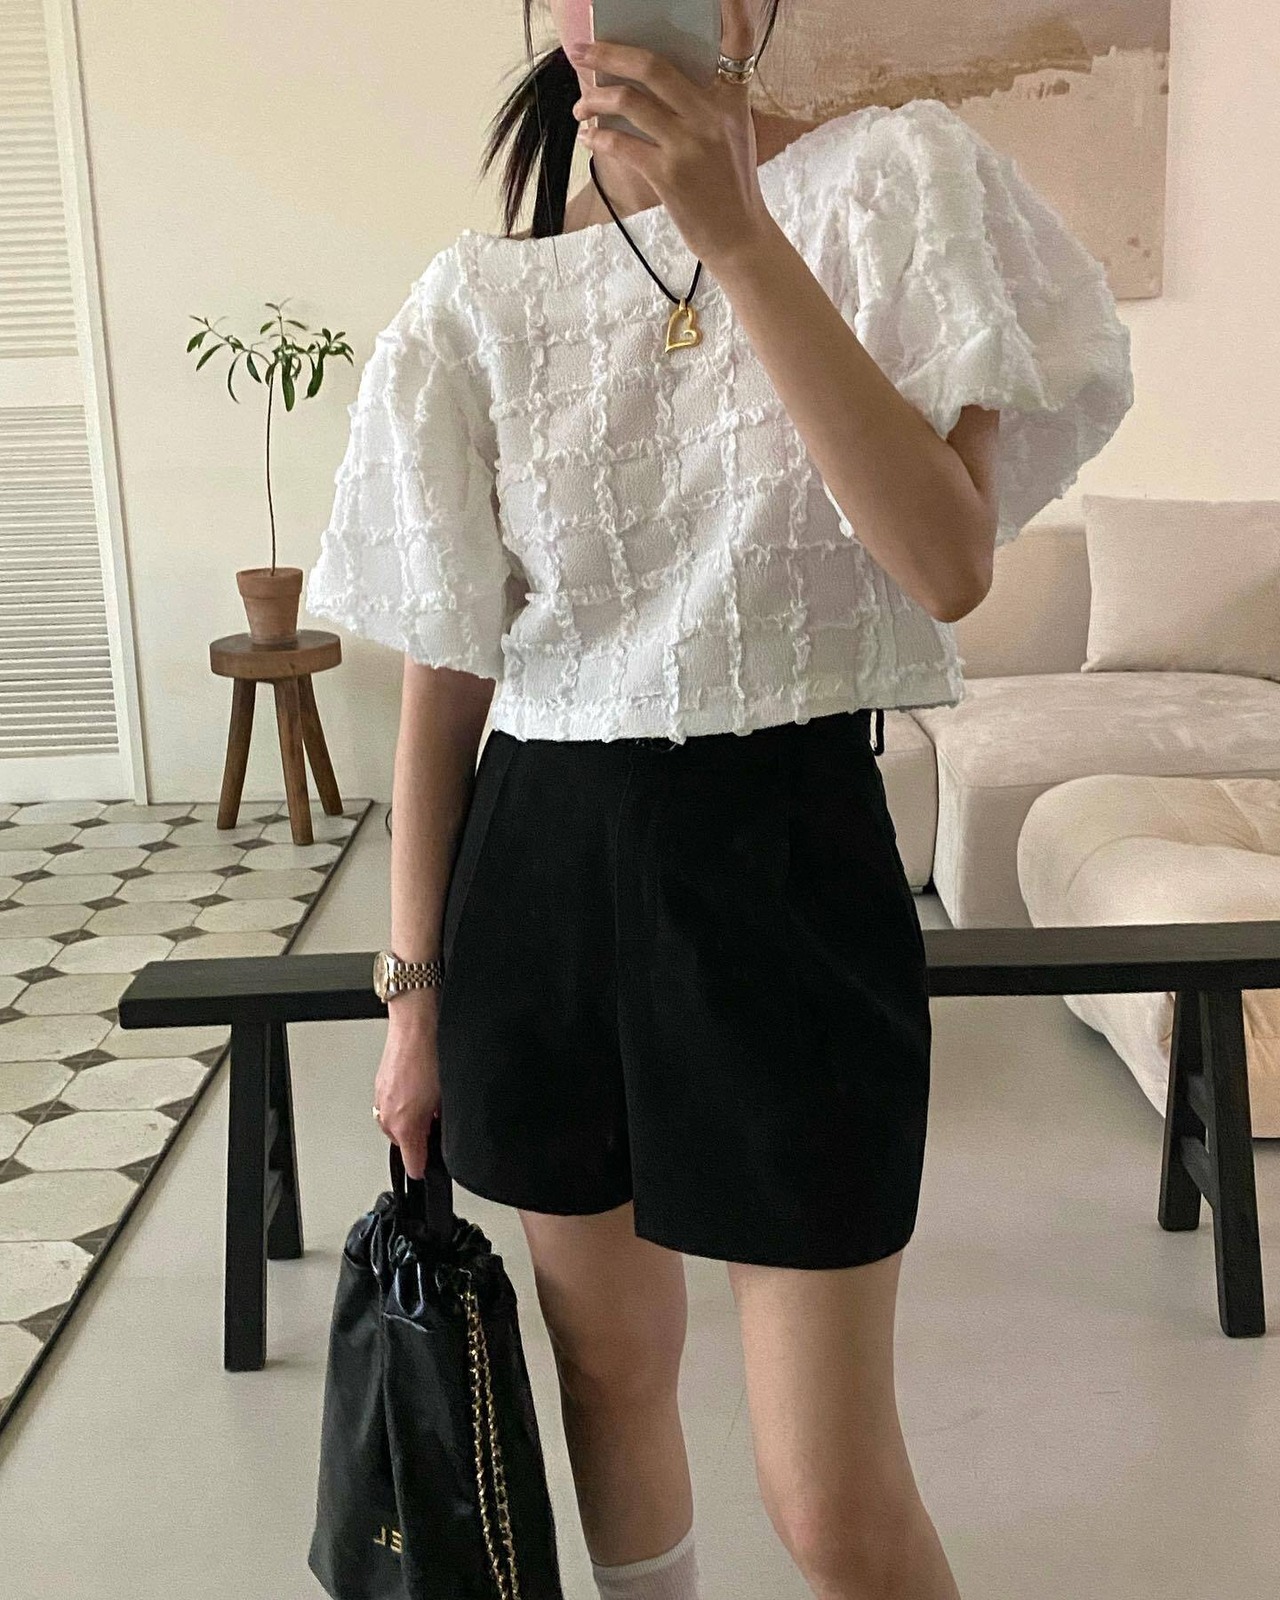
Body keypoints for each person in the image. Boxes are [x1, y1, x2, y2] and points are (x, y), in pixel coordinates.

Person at [304, 2, 1134, 1595]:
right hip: (538, 878)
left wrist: (736, 236)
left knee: (829, 1497)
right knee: (610, 1381)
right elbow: (448, 671)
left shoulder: (898, 184)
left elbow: (949, 562)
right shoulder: (477, 299)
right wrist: (412, 997)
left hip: (785, 860)